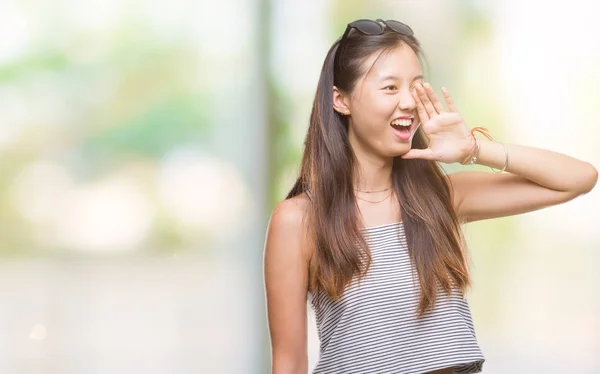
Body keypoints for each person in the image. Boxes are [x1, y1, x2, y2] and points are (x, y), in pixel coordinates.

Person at [263, 18, 598, 374]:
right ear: (341, 100)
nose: (409, 102)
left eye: (416, 87)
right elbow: (289, 362)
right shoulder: (298, 221)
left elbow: (578, 178)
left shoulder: (440, 197)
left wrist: (474, 149)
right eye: (390, 88)